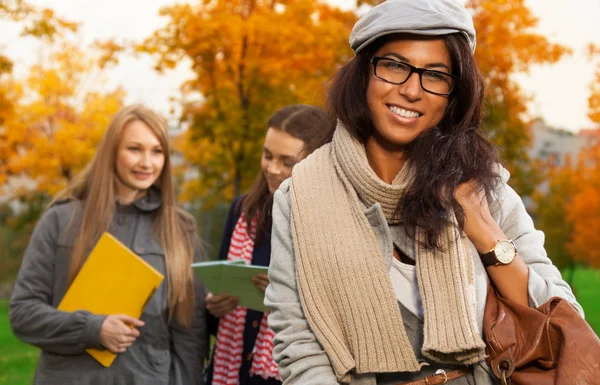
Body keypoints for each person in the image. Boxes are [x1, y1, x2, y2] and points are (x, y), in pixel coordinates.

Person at [264, 1, 584, 384]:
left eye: (435, 75)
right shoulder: (299, 197)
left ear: (453, 95)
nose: (412, 90)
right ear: (363, 73)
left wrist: (484, 231)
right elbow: (298, 347)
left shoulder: (484, 186)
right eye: (395, 66)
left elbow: (562, 321)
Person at [9, 104, 207, 385]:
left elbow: (190, 330)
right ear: (111, 151)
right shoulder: (60, 220)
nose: (147, 163)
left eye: (157, 151)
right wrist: (92, 329)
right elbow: (23, 313)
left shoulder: (180, 230)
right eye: (135, 149)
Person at [204, 104, 335, 385]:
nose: (272, 169)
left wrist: (285, 301)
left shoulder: (331, 225)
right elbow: (217, 315)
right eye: (267, 155)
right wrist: (214, 307)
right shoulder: (243, 211)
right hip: (231, 371)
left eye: (287, 162)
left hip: (291, 375)